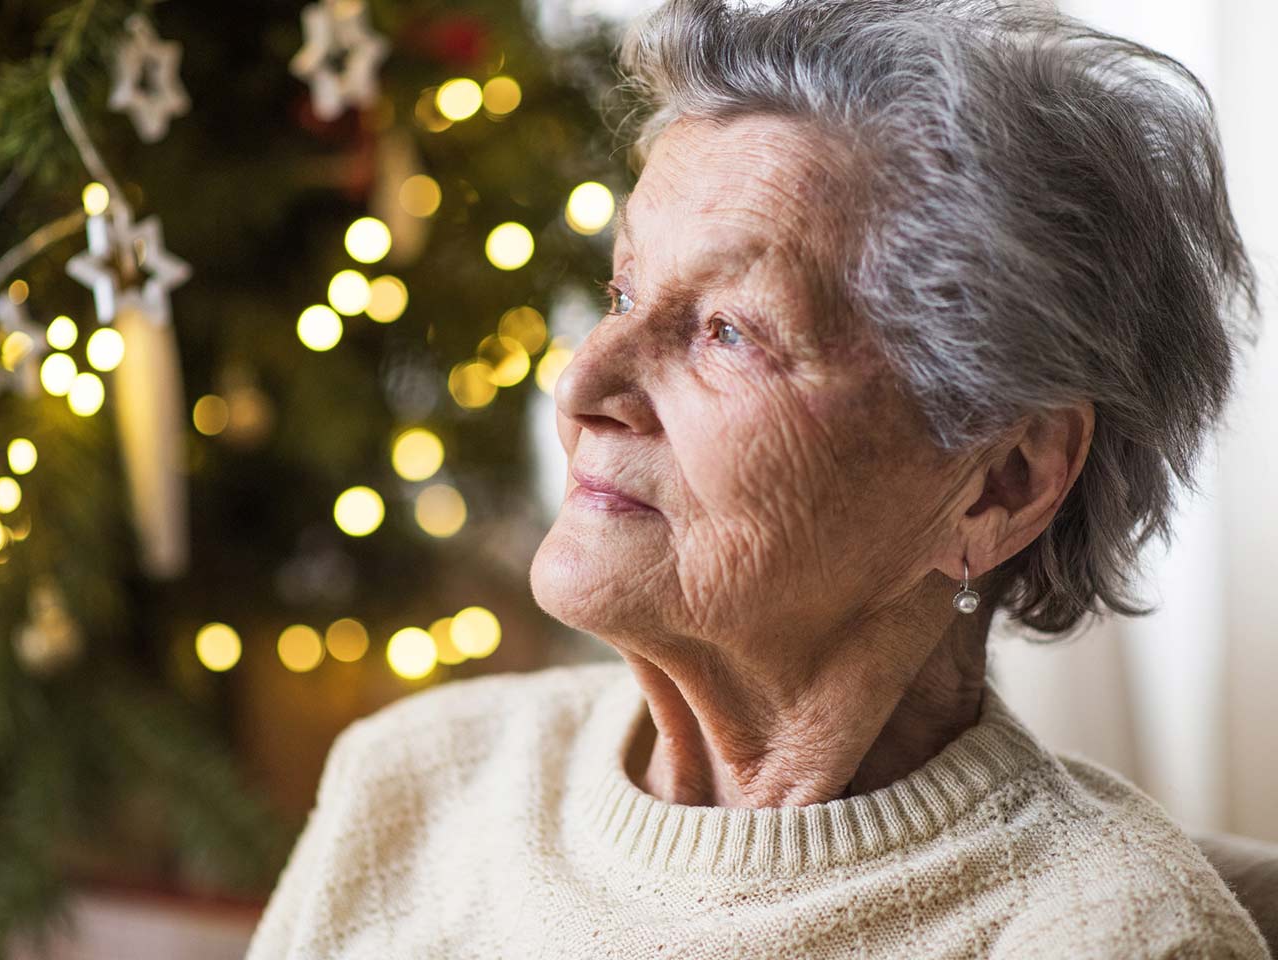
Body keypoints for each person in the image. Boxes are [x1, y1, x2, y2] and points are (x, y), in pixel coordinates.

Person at [245, 0, 1269, 956]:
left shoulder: (1104, 933)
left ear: (1002, 483)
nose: (583, 381)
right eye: (623, 289)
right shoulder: (413, 784)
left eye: (728, 332)